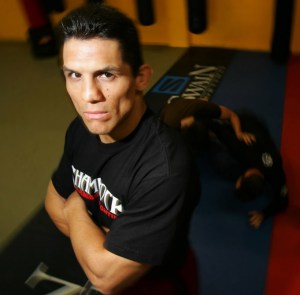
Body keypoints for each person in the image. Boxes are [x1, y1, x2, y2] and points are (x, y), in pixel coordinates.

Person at [44, 4, 200, 294]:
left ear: (141, 77)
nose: (89, 96)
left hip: (159, 284)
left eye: (106, 74)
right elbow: (52, 203)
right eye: (74, 75)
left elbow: (107, 279)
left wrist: (76, 206)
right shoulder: (81, 129)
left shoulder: (164, 166)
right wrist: (98, 248)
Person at [208, 111, 288, 229]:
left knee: (224, 165)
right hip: (244, 120)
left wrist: (264, 213)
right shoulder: (243, 148)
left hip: (261, 136)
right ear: (248, 174)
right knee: (221, 156)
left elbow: (284, 200)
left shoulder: (275, 173)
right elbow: (217, 127)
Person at [160, 97, 256, 153]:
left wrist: (239, 133)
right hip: (173, 110)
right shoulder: (167, 130)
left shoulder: (203, 108)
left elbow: (232, 115)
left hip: (191, 109)